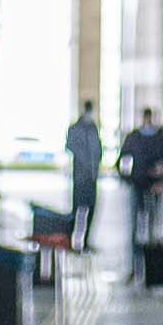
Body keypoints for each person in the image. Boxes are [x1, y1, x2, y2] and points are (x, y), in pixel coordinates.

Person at [116, 106, 163, 286]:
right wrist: (127, 178)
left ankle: (151, 267)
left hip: (155, 187)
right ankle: (135, 268)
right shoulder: (134, 137)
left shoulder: (161, 137)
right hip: (137, 186)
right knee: (135, 229)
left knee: (152, 229)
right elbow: (121, 160)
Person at [64, 102, 102, 253]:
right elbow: (70, 146)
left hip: (92, 178)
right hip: (80, 178)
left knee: (91, 210)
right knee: (76, 211)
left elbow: (97, 149)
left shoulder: (93, 128)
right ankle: (71, 240)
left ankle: (85, 241)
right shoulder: (75, 128)